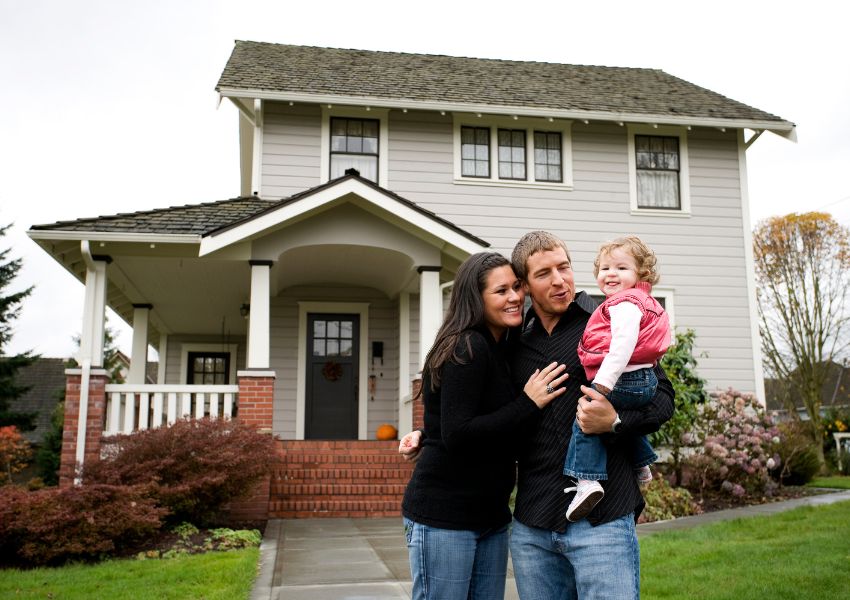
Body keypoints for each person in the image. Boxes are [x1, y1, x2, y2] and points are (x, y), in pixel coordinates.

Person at [402, 232, 674, 600]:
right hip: (533, 522)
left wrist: (614, 422)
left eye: (564, 267)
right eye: (543, 273)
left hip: (602, 520)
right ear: (526, 286)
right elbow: (476, 408)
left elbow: (663, 399)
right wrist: (429, 432)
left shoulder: (608, 321)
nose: (559, 280)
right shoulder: (513, 340)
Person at [401, 251, 568, 600]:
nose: (514, 298)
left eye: (516, 287)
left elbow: (457, 416)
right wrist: (528, 403)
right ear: (476, 299)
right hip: (446, 515)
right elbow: (459, 434)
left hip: (490, 516)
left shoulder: (501, 347)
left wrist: (425, 433)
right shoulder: (468, 345)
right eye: (501, 291)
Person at [564, 235, 671, 522]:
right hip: (640, 379)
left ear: (640, 275)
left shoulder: (625, 304)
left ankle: (587, 481)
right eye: (605, 268)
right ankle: (641, 462)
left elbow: (622, 346)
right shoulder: (637, 300)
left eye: (622, 268)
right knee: (612, 419)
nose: (611, 274)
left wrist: (601, 384)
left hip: (625, 379)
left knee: (586, 416)